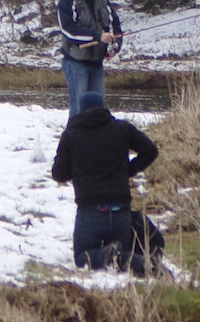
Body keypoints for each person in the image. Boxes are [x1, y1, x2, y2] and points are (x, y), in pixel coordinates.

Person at [51, 93, 164, 273]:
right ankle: (142, 263)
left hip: (90, 212)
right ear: (103, 107)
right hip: (121, 211)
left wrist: (80, 172)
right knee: (123, 256)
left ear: (81, 110)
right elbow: (150, 150)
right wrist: (128, 170)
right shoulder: (122, 128)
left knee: (82, 258)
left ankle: (107, 255)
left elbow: (58, 174)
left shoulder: (71, 134)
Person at [57, 0, 122, 117]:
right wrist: (97, 36)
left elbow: (115, 25)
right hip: (75, 62)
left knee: (98, 111)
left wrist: (115, 47)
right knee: (79, 111)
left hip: (97, 63)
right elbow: (68, 29)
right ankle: (74, 133)